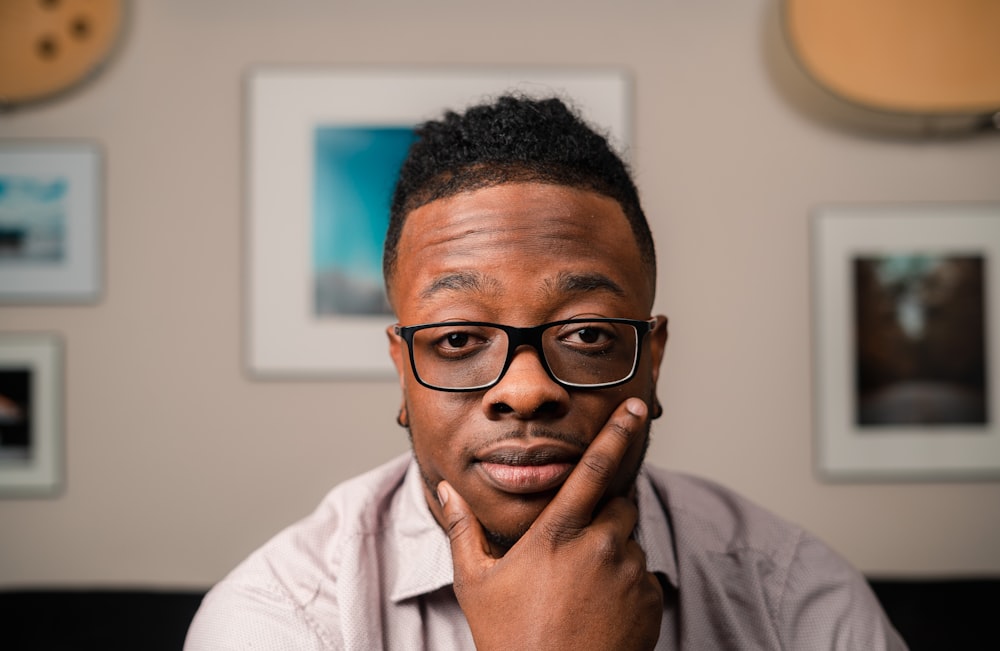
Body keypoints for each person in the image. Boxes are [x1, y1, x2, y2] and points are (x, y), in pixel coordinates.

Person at [185, 95, 907, 650]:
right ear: (403, 370)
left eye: (587, 333)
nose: (526, 389)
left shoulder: (791, 594)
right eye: (459, 337)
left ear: (650, 363)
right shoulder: (282, 616)